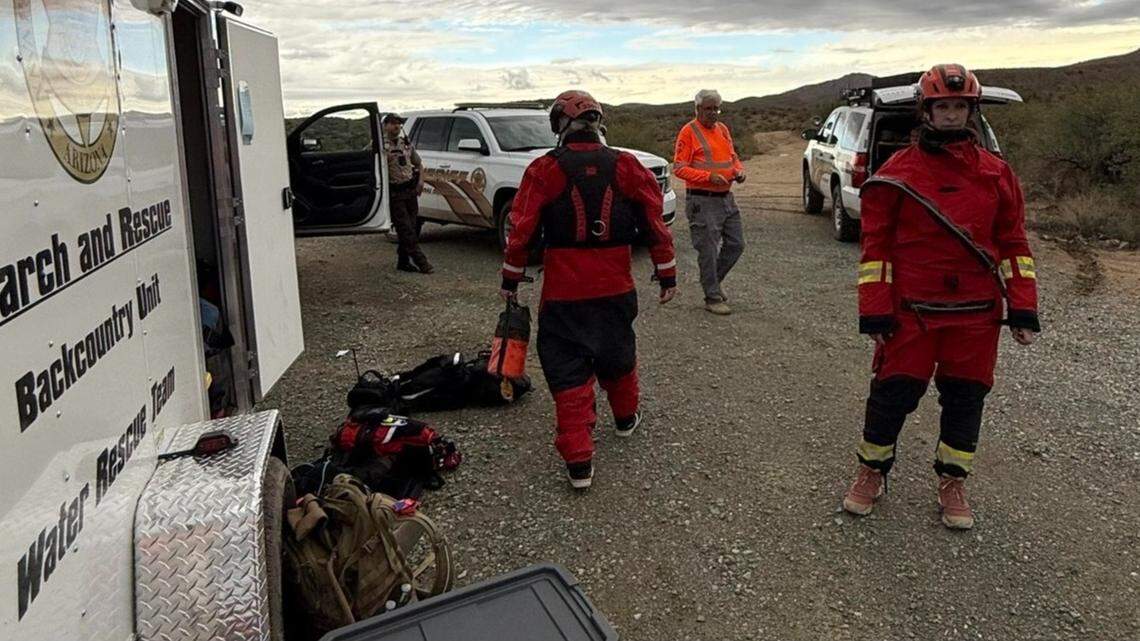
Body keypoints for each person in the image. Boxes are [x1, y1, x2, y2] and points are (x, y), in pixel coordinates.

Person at [842, 64, 1040, 529]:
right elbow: (876, 251)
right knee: (892, 395)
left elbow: (1013, 245)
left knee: (966, 399)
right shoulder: (895, 174)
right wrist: (875, 311)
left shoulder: (997, 173)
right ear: (926, 111)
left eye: (959, 107)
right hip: (912, 313)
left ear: (971, 111)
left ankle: (953, 481)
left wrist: (1024, 306)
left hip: (977, 316)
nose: (951, 115)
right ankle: (872, 470)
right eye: (942, 106)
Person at [499, 90, 677, 489]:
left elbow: (521, 228)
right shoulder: (627, 165)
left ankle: (579, 460)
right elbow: (655, 222)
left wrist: (511, 279)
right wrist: (667, 273)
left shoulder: (544, 169)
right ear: (598, 122)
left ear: (559, 124)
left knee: (567, 367)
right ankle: (625, 417)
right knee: (618, 351)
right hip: (616, 286)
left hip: (564, 292)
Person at [672, 89, 746, 315]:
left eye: (716, 108)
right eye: (709, 109)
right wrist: (708, 177)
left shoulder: (723, 129)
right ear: (697, 109)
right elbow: (679, 168)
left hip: (726, 198)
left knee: (736, 244)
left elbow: (732, 158)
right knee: (708, 250)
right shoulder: (688, 131)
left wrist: (739, 171)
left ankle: (712, 282)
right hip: (702, 201)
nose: (714, 113)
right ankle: (712, 296)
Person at [383, 112, 432, 274]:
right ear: (386, 126)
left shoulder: (406, 144)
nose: (396, 126)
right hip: (395, 192)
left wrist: (420, 181)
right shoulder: (380, 146)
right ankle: (422, 262)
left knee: (412, 226)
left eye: (399, 123)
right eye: (393, 123)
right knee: (405, 229)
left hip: (410, 190)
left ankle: (403, 261)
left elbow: (419, 164)